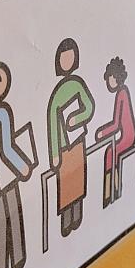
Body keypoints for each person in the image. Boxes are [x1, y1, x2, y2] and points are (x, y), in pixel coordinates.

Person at [0, 61, 33, 268]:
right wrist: (24, 167)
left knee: (1, 220)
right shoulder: (1, 112)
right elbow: (6, 149)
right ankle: (18, 259)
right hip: (7, 174)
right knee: (12, 214)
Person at [47, 38, 95, 237]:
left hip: (77, 142)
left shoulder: (77, 84)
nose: (67, 61)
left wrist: (77, 118)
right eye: (63, 58)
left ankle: (78, 215)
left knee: (78, 180)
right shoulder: (57, 93)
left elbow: (89, 106)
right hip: (64, 147)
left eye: (70, 57)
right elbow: (52, 124)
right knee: (66, 185)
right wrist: (54, 153)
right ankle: (67, 221)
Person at [95, 57, 135, 207]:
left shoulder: (122, 93)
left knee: (110, 153)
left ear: (116, 77)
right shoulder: (122, 92)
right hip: (126, 134)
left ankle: (111, 191)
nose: (109, 82)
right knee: (110, 153)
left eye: (110, 78)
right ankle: (112, 190)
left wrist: (101, 133)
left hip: (128, 136)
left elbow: (116, 125)